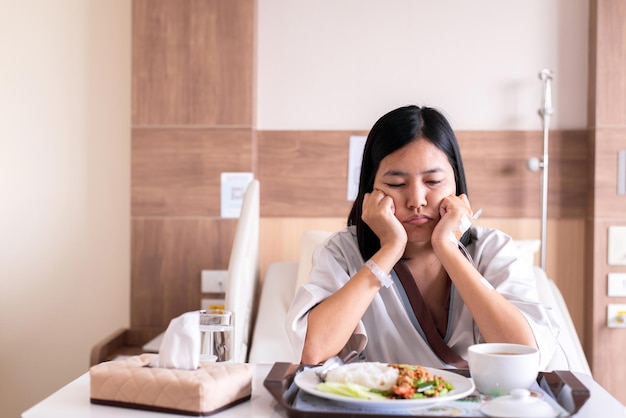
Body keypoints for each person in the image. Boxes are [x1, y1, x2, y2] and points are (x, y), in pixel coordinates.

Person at [286, 104, 560, 370]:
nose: (416, 200)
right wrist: (389, 250)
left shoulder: (493, 249)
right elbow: (313, 351)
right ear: (371, 190)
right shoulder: (343, 251)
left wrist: (448, 248)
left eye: (433, 182)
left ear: (456, 183)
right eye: (396, 184)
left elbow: (526, 353)